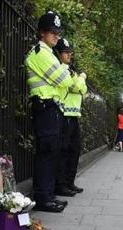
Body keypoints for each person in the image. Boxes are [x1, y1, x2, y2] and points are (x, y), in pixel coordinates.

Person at [25, 11, 74, 213]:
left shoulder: (49, 54)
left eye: (57, 32)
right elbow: (65, 81)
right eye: (52, 32)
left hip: (51, 107)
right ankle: (43, 197)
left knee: (51, 152)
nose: (56, 35)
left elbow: (66, 80)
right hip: (44, 106)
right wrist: (65, 73)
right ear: (42, 33)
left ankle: (48, 194)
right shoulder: (40, 53)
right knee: (46, 153)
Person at [54, 38, 87, 196]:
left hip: (74, 115)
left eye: (69, 52)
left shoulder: (71, 70)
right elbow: (76, 87)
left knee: (74, 150)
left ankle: (69, 182)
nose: (69, 54)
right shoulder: (61, 69)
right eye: (66, 52)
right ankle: (61, 184)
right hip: (65, 114)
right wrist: (81, 78)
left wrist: (80, 82)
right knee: (64, 151)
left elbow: (83, 90)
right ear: (59, 54)